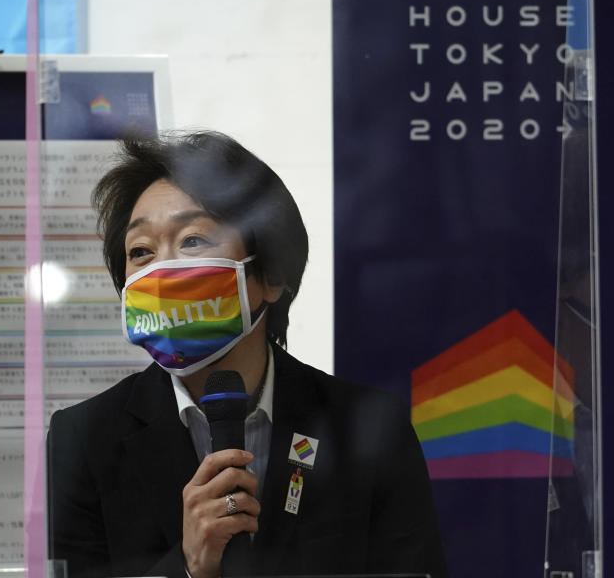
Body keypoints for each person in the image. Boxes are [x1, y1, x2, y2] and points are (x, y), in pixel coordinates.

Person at [47, 131, 449, 578]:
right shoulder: (85, 439)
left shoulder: (368, 427)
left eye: (193, 241)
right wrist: (189, 566)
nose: (162, 271)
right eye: (140, 252)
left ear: (271, 274)